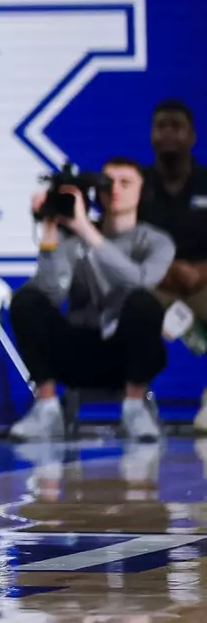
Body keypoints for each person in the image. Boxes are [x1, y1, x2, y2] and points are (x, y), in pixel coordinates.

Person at [8, 157, 174, 443]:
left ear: (141, 190)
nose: (116, 191)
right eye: (108, 184)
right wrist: (51, 230)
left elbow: (139, 280)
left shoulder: (156, 242)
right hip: (77, 351)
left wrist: (88, 231)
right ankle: (46, 409)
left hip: (126, 354)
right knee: (27, 299)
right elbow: (50, 293)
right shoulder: (72, 237)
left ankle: (134, 409)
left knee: (145, 304)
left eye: (126, 183)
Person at [137, 99, 207, 428]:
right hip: (154, 284)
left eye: (175, 126)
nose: (167, 134)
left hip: (202, 283)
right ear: (151, 135)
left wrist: (197, 272)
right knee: (127, 306)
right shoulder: (136, 186)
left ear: (192, 136)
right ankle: (135, 404)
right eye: (160, 126)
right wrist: (166, 271)